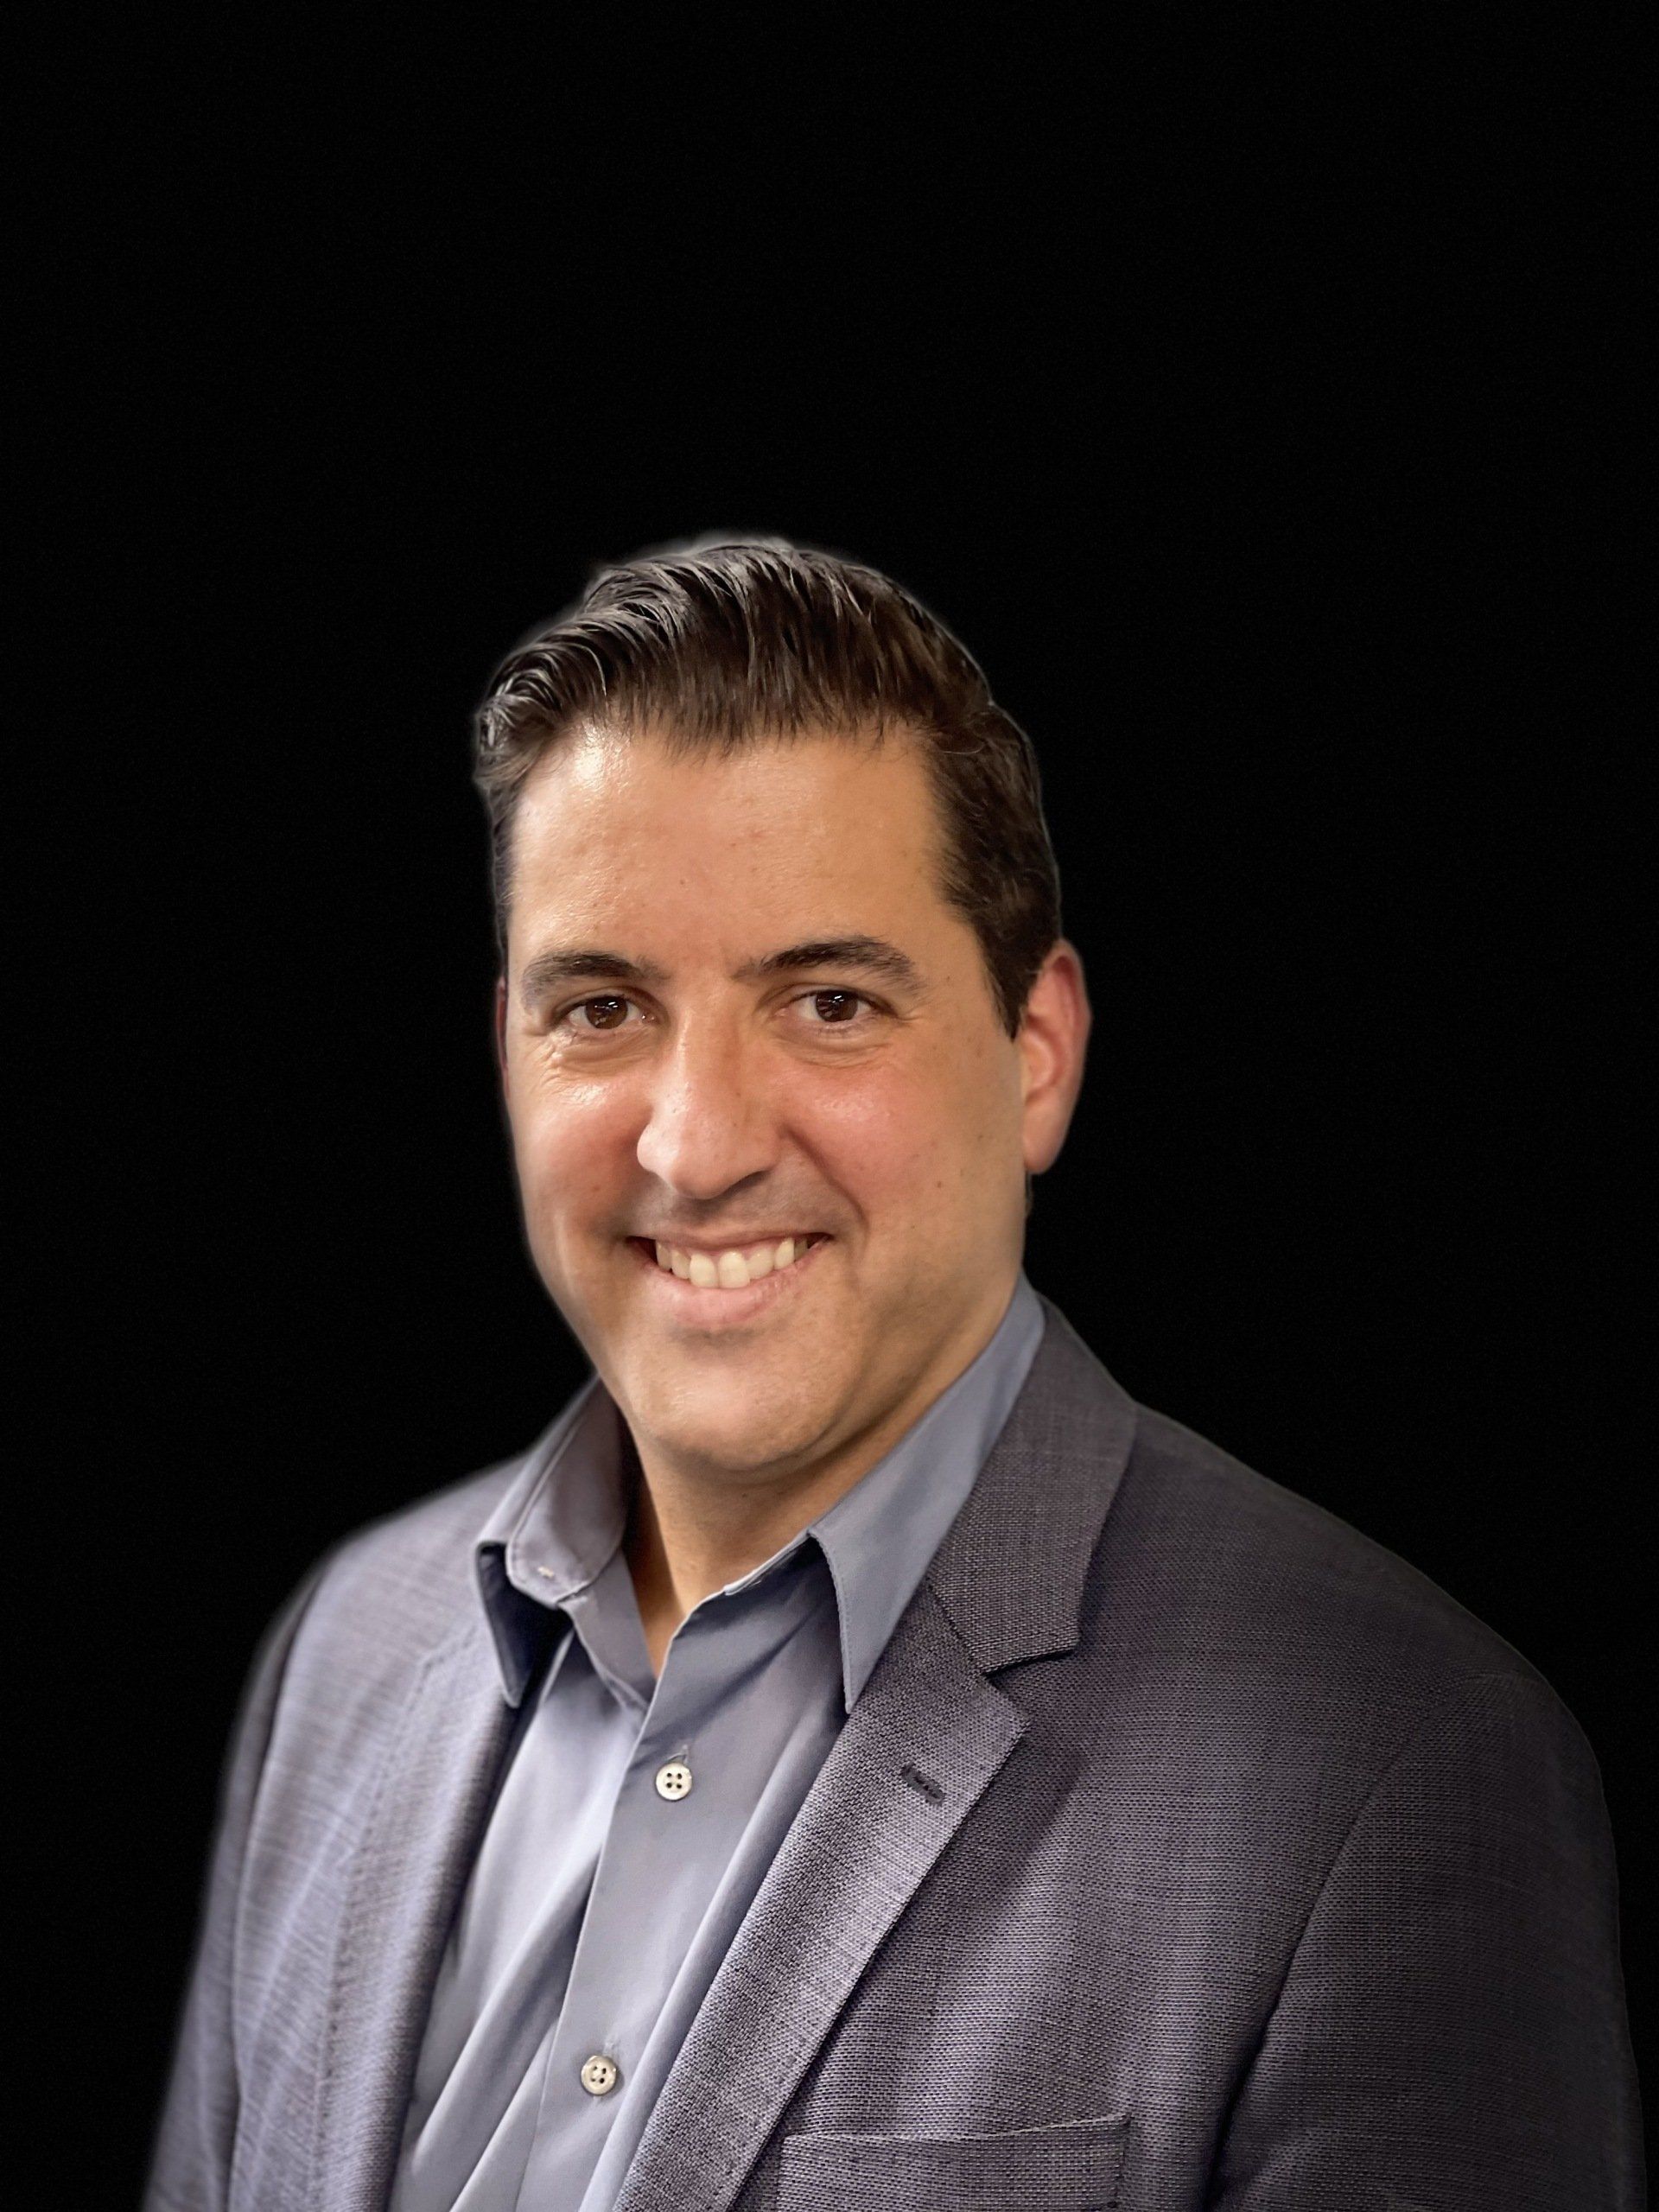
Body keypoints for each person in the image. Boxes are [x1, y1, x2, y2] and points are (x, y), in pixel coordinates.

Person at [146, 537, 1642, 2211]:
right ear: (509, 1048)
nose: (697, 1143)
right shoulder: (347, 1647)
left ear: (1037, 1055)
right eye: (603, 1005)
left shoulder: (1390, 1766)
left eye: (830, 999)